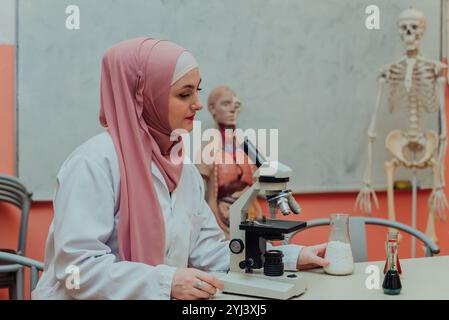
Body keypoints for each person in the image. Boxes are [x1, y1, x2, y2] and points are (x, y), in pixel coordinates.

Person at [32, 37, 329, 300]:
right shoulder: (94, 163)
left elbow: (209, 252)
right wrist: (167, 281)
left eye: (197, 91)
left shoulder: (182, 169)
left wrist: (290, 258)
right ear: (142, 99)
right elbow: (77, 270)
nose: (198, 104)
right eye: (184, 94)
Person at [196, 86, 263, 238]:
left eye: (235, 105)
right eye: (226, 104)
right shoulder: (207, 151)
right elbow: (199, 194)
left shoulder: (250, 149)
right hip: (221, 221)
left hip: (251, 216)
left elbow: (261, 181)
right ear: (212, 109)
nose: (232, 110)